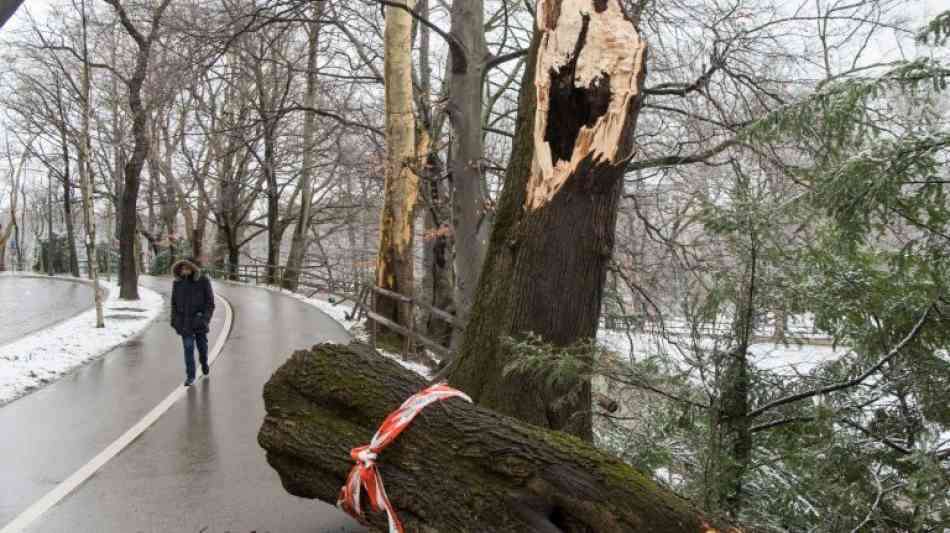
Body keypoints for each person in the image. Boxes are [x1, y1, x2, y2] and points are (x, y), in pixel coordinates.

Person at [170, 257, 215, 386]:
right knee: (188, 348)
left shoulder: (203, 281)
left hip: (199, 320)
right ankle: (190, 376)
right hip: (184, 323)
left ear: (193, 268)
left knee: (202, 347)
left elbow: (210, 303)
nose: (185, 270)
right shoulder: (177, 283)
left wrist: (205, 318)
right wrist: (174, 320)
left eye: (187, 268)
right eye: (183, 268)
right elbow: (173, 303)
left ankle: (204, 362)